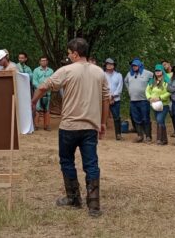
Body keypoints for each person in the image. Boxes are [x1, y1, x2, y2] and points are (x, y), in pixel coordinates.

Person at [31, 37, 109, 218]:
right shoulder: (99, 73)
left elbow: (44, 86)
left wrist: (33, 102)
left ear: (75, 53)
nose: (68, 56)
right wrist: (103, 122)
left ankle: (73, 198)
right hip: (90, 127)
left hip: (69, 127)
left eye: (69, 53)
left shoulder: (66, 70)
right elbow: (106, 99)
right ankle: (94, 205)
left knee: (67, 161)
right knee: (91, 164)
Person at [125, 58, 153, 143]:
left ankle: (148, 136)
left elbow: (154, 77)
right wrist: (129, 89)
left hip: (144, 100)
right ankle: (140, 136)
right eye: (133, 65)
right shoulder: (129, 74)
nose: (134, 67)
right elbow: (125, 81)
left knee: (145, 118)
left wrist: (150, 88)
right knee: (136, 118)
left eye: (135, 65)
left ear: (140, 65)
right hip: (133, 100)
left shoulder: (147, 73)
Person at [146, 64, 170, 146]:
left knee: (160, 119)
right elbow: (147, 90)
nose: (157, 72)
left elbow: (169, 92)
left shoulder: (167, 81)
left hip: (164, 104)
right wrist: (149, 98)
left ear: (162, 71)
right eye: (156, 71)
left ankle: (159, 139)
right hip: (154, 104)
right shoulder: (152, 81)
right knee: (159, 121)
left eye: (159, 70)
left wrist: (160, 98)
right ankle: (164, 139)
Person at [31, 56, 55, 131]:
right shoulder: (36, 70)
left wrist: (47, 88)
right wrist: (41, 88)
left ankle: (46, 126)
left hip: (47, 92)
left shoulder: (50, 71)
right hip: (38, 92)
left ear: (47, 62)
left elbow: (53, 80)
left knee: (46, 109)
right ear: (39, 62)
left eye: (45, 60)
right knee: (37, 109)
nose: (43, 62)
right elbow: (34, 81)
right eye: (42, 61)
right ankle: (36, 125)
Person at [104, 58, 124, 140]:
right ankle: (98, 134)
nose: (109, 66)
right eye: (108, 64)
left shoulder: (118, 75)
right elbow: (100, 86)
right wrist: (108, 96)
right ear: (105, 65)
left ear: (114, 66)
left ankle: (118, 135)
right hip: (104, 99)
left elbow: (120, 87)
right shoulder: (102, 75)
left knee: (117, 117)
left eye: (111, 64)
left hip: (115, 99)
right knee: (101, 117)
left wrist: (112, 96)